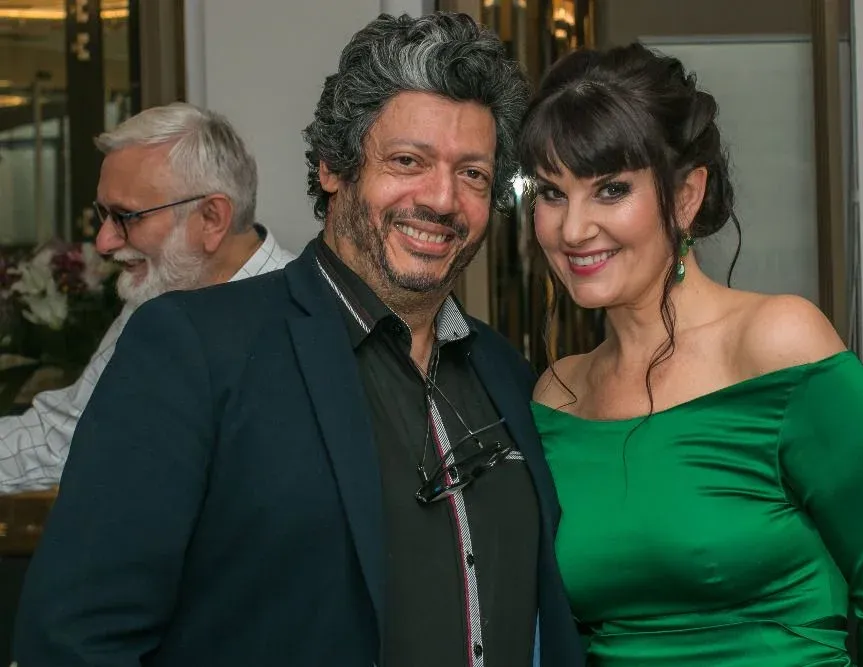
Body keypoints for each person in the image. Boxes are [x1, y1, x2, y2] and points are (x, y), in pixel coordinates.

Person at [13, 13, 584, 667]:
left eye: (473, 174)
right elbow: (75, 642)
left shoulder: (506, 373)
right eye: (408, 161)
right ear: (334, 166)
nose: (442, 199)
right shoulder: (192, 351)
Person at [523, 44, 863, 666]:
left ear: (686, 195)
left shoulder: (779, 344)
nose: (573, 229)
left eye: (611, 190)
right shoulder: (558, 394)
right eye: (552, 193)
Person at [0, 102, 293, 494]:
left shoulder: (309, 319)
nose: (103, 242)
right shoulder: (154, 297)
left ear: (211, 218)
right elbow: (68, 434)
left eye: (127, 216)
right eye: (103, 214)